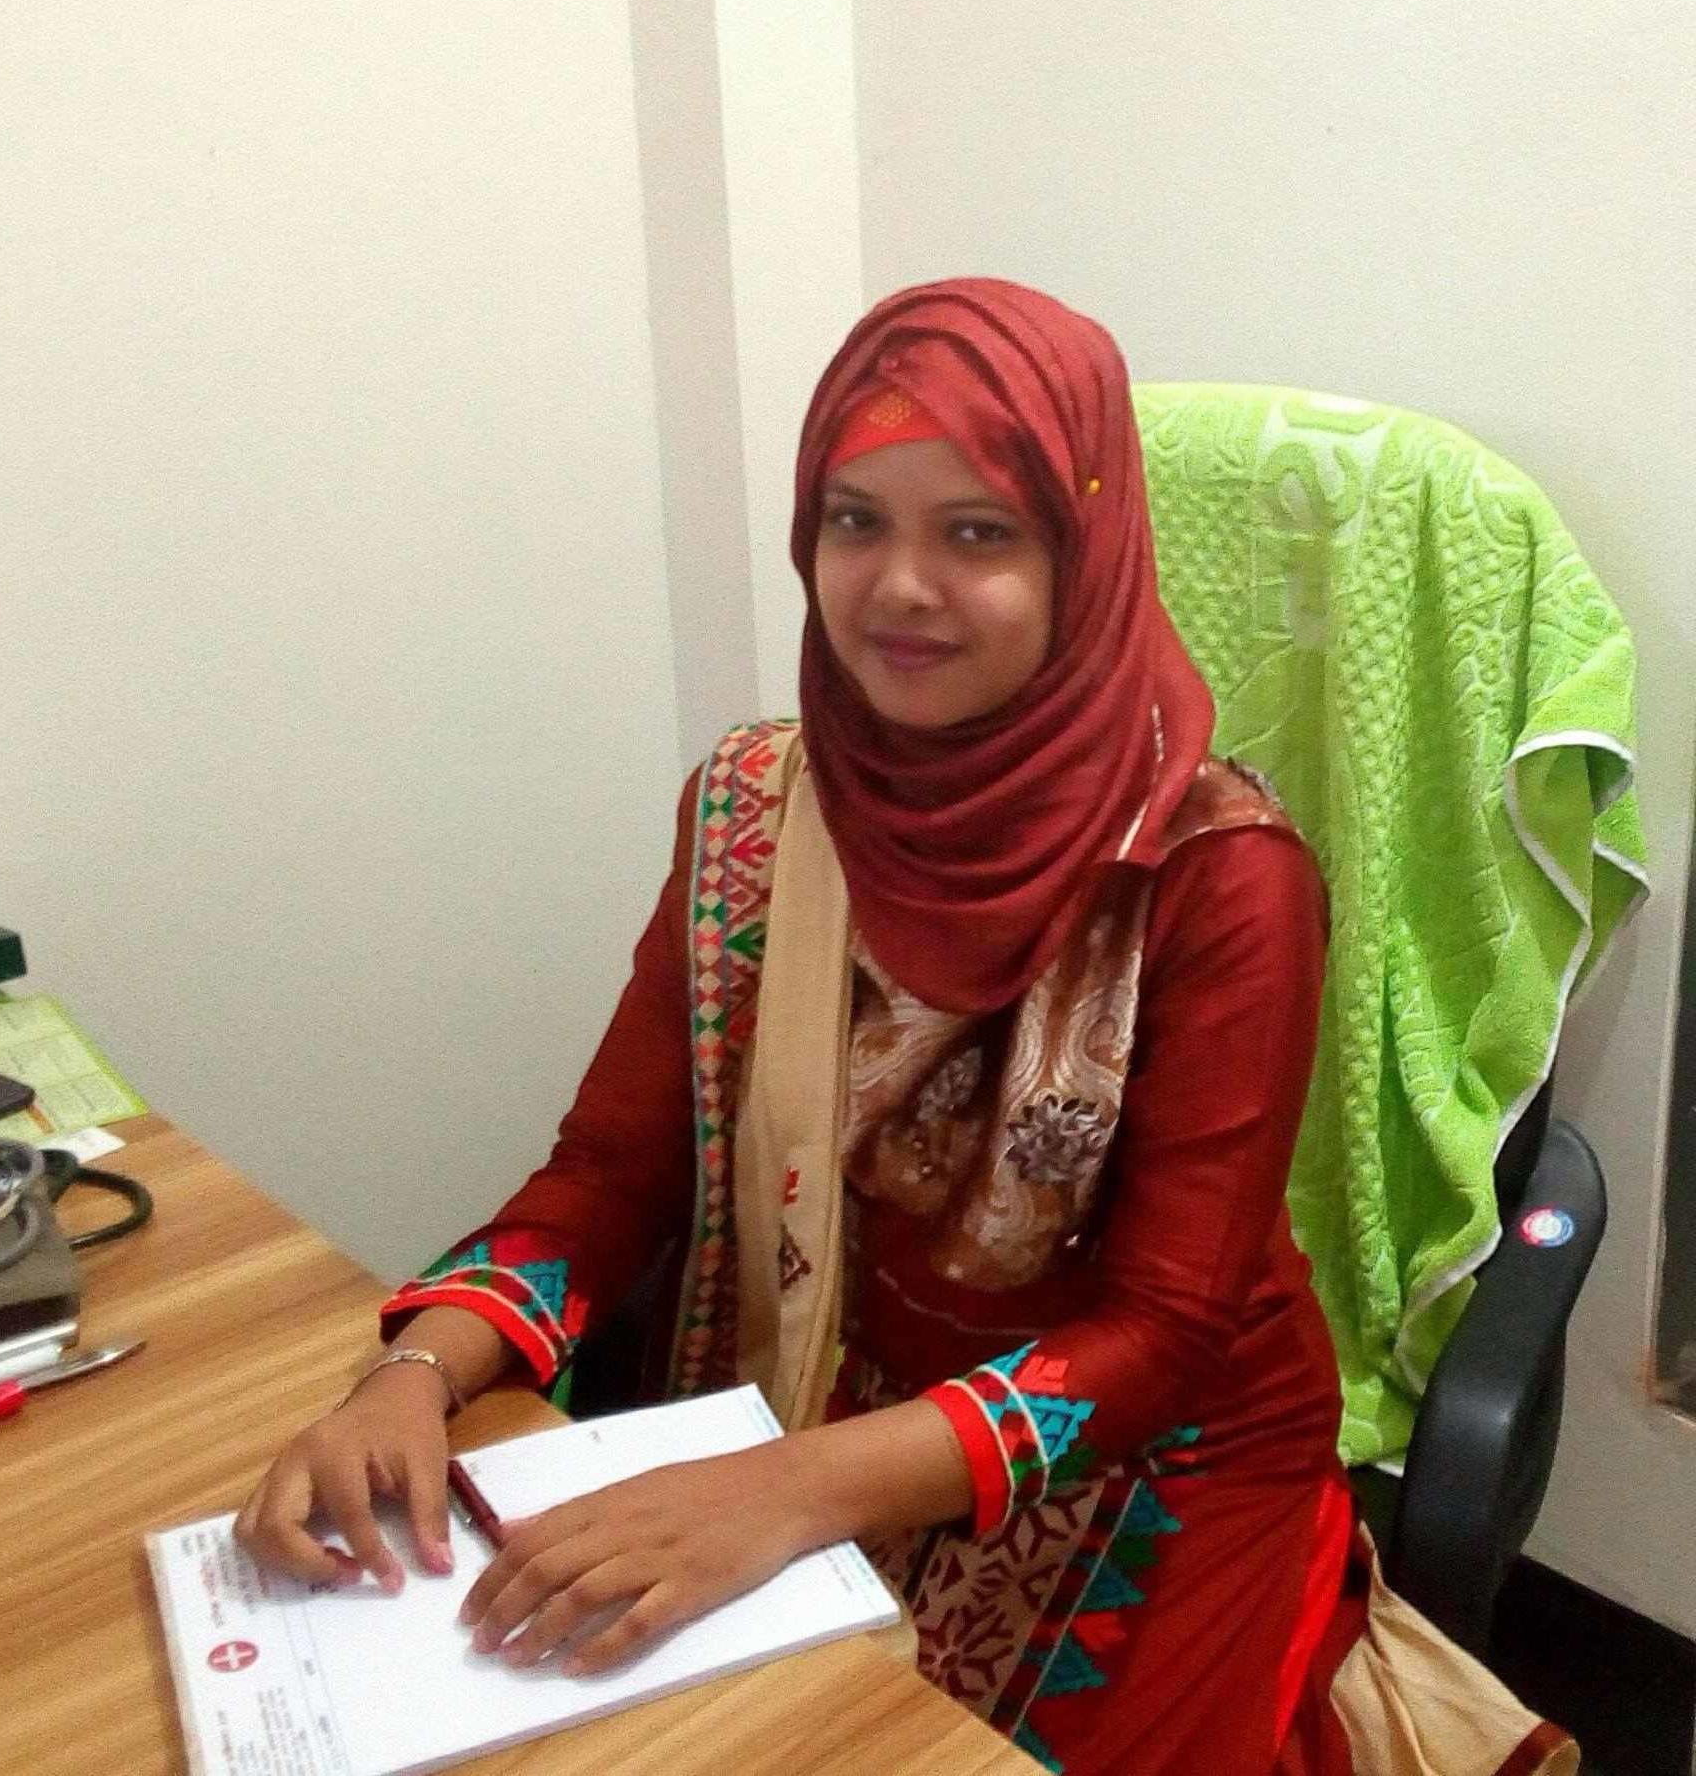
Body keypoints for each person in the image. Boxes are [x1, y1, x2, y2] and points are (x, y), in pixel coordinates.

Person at [238, 281, 1574, 1776]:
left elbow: (1159, 1335)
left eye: (978, 533)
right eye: (854, 521)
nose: (897, 587)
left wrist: (786, 1493)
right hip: (820, 1385)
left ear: (1086, 553)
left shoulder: (1217, 873)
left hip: (1138, 1450)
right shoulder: (754, 808)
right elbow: (614, 1171)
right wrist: (412, 1375)